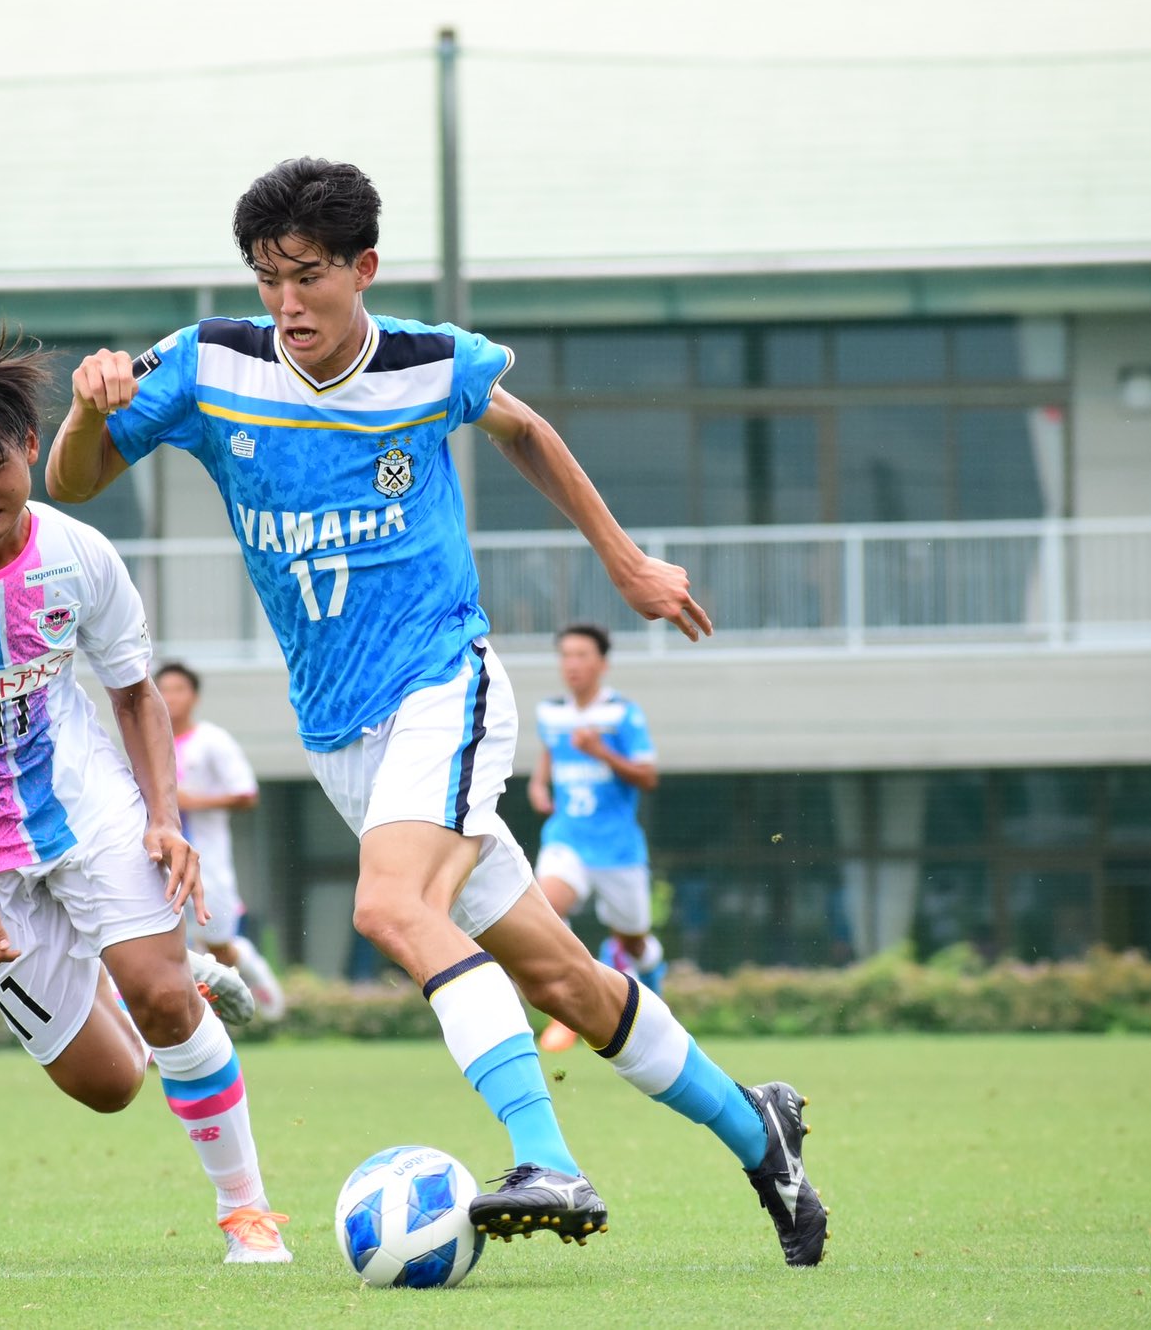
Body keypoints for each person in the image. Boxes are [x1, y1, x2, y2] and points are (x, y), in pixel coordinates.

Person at [46, 158, 826, 1266]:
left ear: (362, 268)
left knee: (388, 907)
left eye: (307, 276)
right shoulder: (209, 363)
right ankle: (763, 1133)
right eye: (266, 276)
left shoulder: (427, 363)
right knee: (565, 978)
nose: (285, 303)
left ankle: (542, 1150)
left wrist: (623, 559)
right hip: (343, 737)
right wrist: (86, 412)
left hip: (442, 687)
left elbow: (521, 428)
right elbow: (71, 482)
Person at [0, 325, 291, 1262]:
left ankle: (247, 1213)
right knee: (110, 1085)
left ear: (30, 447)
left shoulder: (81, 554)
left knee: (163, 1007)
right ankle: (167, 979)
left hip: (92, 813)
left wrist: (164, 815)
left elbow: (132, 692)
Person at [527, 624, 664, 1053]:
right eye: (565, 655)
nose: (572, 664)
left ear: (602, 663)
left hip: (617, 849)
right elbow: (549, 748)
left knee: (633, 939)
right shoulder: (551, 712)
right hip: (567, 838)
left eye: (582, 655)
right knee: (545, 911)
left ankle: (647, 974)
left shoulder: (623, 714)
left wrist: (601, 752)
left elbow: (648, 776)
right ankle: (568, 1011)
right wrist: (538, 785)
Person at [156, 660, 288, 1021]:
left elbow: (246, 794)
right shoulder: (150, 744)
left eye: (178, 689)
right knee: (165, 947)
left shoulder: (211, 740)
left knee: (217, 945)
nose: (170, 698)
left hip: (208, 863)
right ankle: (182, 1026)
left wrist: (190, 801)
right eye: (163, 690)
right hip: (161, 865)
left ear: (194, 696)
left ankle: (249, 965)